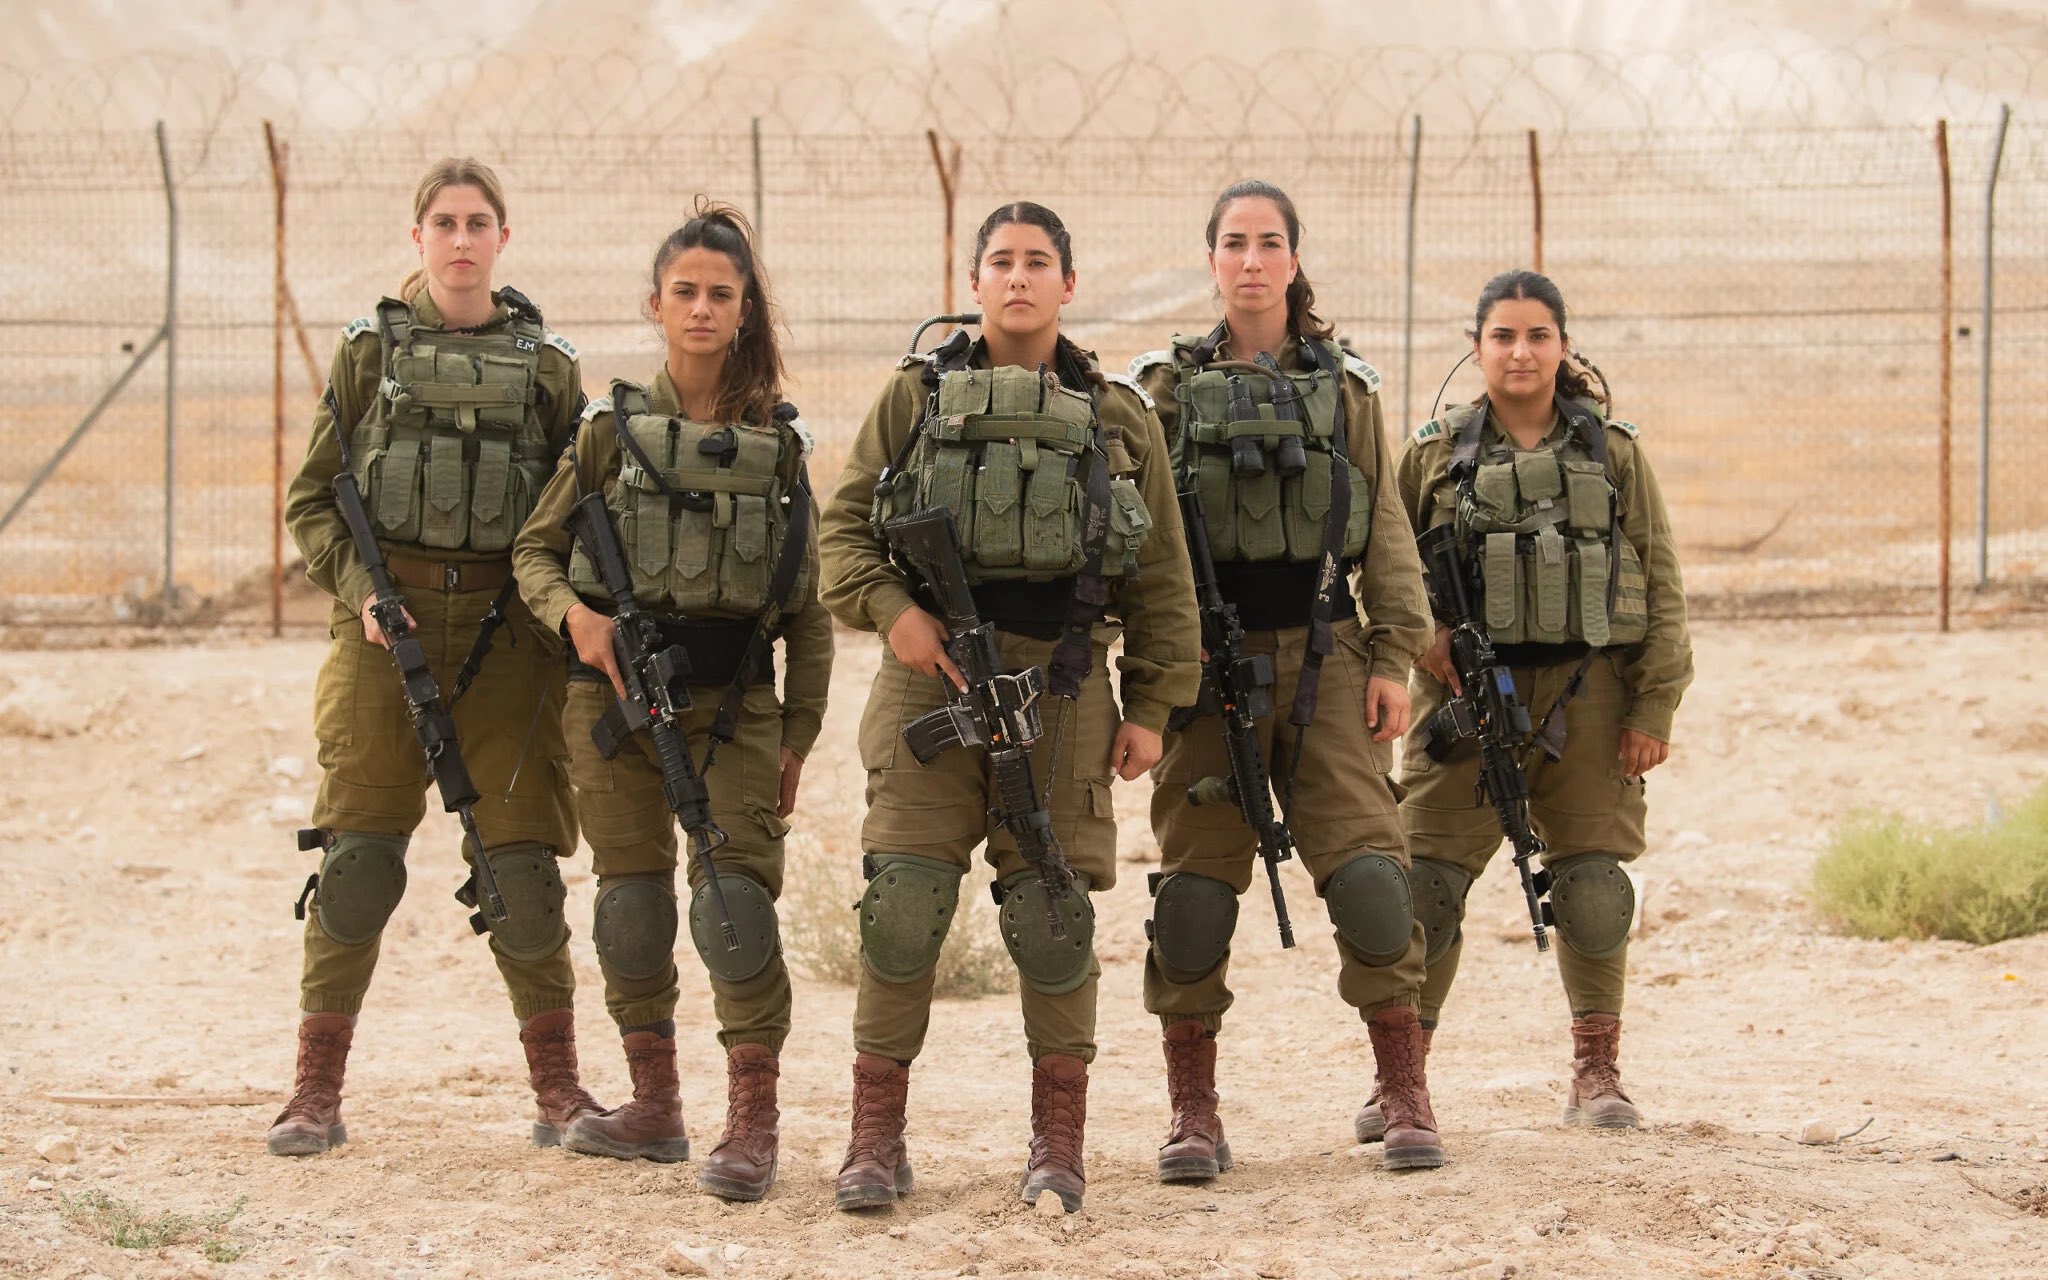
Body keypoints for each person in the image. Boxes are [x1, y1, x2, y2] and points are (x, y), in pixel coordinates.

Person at [819, 201, 1200, 1214]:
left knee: (1052, 915)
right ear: (975, 279)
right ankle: (874, 1140)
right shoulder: (914, 396)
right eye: (1001, 261)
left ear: (1068, 283)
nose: (1019, 277)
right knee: (902, 908)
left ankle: (1057, 1145)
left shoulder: (1118, 416)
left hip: (1065, 691)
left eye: (1038, 262)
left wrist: (1153, 705)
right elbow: (841, 537)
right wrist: (896, 613)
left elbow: (1165, 578)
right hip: (931, 677)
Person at [271, 157, 601, 1156]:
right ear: (417, 237)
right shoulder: (368, 354)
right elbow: (311, 501)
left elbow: (574, 512)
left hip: (509, 640)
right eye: (444, 223)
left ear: (503, 237)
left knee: (521, 868)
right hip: (386, 633)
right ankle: (314, 1092)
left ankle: (560, 1091)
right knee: (358, 859)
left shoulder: (549, 368)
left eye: (477, 223)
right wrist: (362, 591)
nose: (461, 240)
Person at [511, 200, 831, 1201]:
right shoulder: (608, 433)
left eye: (719, 294)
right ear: (655, 304)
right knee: (631, 906)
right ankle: (654, 1106)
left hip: (735, 707)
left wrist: (798, 736)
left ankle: (752, 1122)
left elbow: (809, 611)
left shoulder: (776, 445)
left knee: (737, 903)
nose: (700, 309)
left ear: (743, 311)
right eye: (684, 291)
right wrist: (576, 618)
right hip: (612, 704)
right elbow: (534, 554)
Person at [1129, 180, 1442, 1178]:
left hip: (1326, 654)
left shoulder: (1344, 389)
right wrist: (1153, 674)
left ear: (1293, 260)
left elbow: (1385, 528)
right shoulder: (1162, 392)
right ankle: (1193, 1111)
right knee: (1193, 898)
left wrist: (1392, 655)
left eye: (1269, 242)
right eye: (1234, 243)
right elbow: (1139, 541)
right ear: (1211, 262)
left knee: (1371, 880)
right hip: (1205, 670)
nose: (1252, 260)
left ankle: (1403, 1089)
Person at [1387, 268, 1692, 1133]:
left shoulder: (1613, 453)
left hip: (1589, 694)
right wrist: (1422, 638)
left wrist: (1653, 708)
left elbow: (1662, 580)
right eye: (1503, 336)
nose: (1520, 352)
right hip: (1461, 698)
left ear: (1562, 346)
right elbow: (1385, 571)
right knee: (1423, 888)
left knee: (1592, 884)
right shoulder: (1430, 455)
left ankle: (1597, 1073)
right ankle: (1402, 1081)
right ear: (1477, 347)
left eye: (1538, 336)